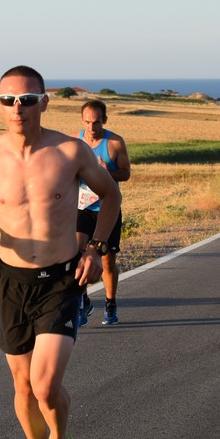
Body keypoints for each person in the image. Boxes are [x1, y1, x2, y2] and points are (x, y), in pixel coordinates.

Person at [0, 66, 120, 439]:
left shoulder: (70, 151)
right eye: (8, 100)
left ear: (44, 102)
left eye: (27, 99)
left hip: (60, 280)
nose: (18, 108)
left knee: (45, 386)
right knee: (23, 387)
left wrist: (95, 248)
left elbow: (110, 195)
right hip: (10, 282)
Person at [74, 99, 131, 326]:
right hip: (82, 208)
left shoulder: (115, 143)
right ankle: (83, 302)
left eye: (96, 122)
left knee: (106, 261)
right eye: (87, 122)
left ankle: (110, 303)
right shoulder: (75, 142)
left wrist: (108, 173)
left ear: (104, 120)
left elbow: (126, 174)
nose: (91, 127)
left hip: (107, 209)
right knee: (77, 255)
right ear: (82, 120)